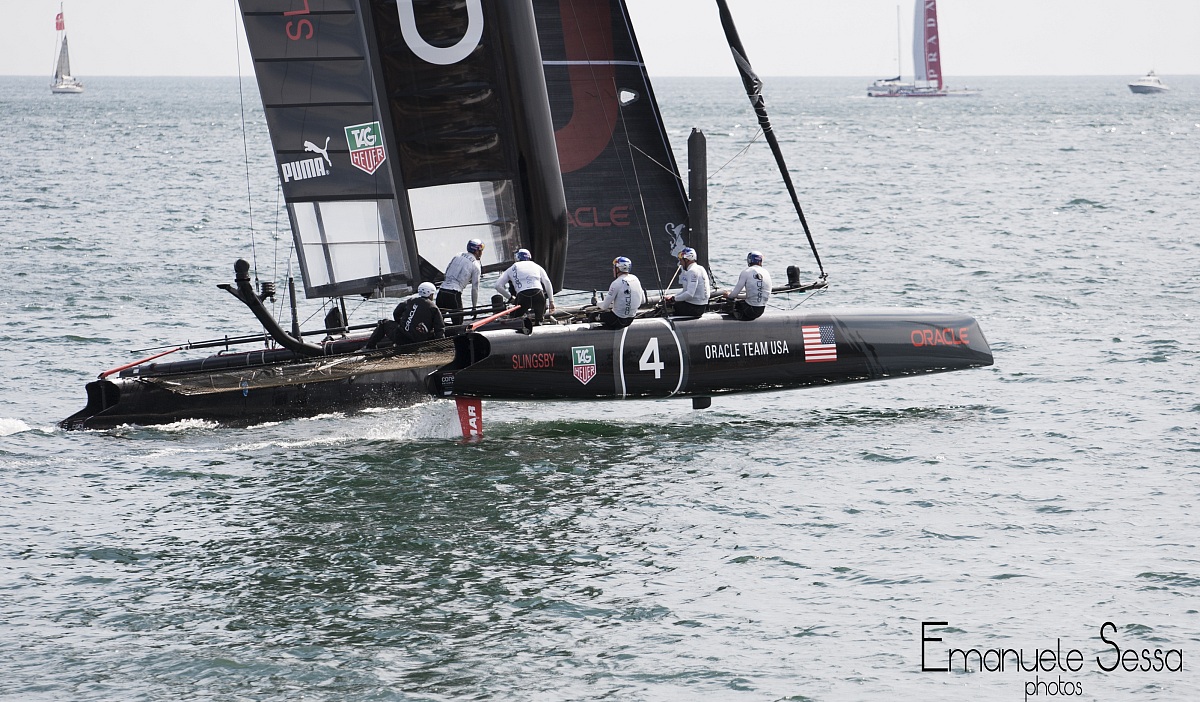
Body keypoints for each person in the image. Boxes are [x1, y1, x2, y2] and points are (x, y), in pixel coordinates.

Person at [363, 282, 445, 349]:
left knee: (384, 323)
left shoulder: (410, 300)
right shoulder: (434, 308)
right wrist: (440, 346)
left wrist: (402, 323)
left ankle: (370, 347)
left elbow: (396, 313)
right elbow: (440, 328)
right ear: (431, 294)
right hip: (419, 341)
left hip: (401, 338)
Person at [494, 248, 556, 325]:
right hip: (538, 295)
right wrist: (551, 301)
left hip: (522, 296)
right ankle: (539, 322)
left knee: (514, 318)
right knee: (539, 320)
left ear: (517, 257)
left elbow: (497, 286)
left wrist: (510, 298)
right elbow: (547, 282)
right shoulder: (536, 266)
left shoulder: (511, 268)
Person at [438, 238, 483, 326]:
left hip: (442, 291)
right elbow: (475, 288)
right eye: (481, 250)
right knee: (458, 324)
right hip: (454, 294)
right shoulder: (476, 265)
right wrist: (474, 308)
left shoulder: (457, 255)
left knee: (438, 323)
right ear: (477, 251)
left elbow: (446, 271)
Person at [597, 256, 645, 329]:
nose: (613, 270)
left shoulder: (616, 283)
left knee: (593, 315)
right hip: (630, 320)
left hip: (617, 320)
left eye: (614, 268)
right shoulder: (635, 278)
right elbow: (643, 300)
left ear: (618, 269)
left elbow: (604, 306)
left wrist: (596, 302)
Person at [663, 247, 710, 318]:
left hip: (695, 308)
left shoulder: (692, 271)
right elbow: (685, 291)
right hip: (698, 305)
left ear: (687, 260)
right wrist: (673, 297)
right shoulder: (699, 268)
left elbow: (689, 294)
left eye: (681, 260)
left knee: (670, 307)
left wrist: (673, 299)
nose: (680, 263)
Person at [725, 251, 772, 321]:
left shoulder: (746, 272)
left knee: (730, 300)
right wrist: (739, 296)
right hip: (761, 310)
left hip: (749, 311)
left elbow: (733, 295)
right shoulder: (766, 272)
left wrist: (728, 295)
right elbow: (755, 294)